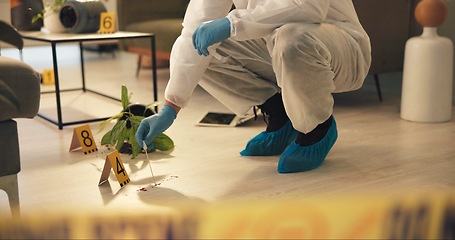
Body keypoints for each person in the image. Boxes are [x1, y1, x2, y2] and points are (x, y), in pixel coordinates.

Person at [136, 0, 371, 173]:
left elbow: (308, 8)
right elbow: (192, 33)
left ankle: (317, 128)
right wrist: (170, 106)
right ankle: (280, 114)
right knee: (203, 44)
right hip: (276, 45)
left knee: (293, 36)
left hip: (340, 47)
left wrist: (233, 23)